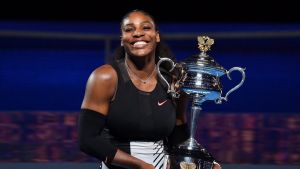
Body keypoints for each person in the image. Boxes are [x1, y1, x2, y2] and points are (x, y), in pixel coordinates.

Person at [78, 9, 221, 169]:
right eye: (129, 29)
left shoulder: (174, 79)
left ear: (157, 35)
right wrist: (139, 165)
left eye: (145, 28)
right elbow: (87, 140)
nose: (138, 33)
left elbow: (177, 135)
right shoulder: (105, 77)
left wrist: (201, 161)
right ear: (122, 39)